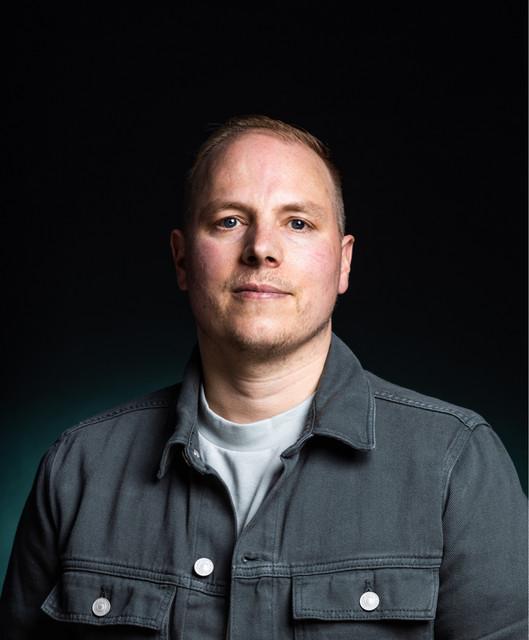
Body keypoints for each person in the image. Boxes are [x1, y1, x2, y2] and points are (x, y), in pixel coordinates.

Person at [1, 114, 527, 639]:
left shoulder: (453, 463)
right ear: (182, 260)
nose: (260, 249)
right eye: (229, 221)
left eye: (297, 223)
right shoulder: (79, 468)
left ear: (343, 263)